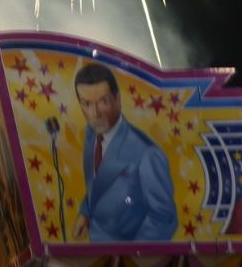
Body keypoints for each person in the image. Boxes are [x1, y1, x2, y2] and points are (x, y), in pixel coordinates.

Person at [73, 62, 177, 241]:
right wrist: (85, 213)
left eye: (103, 101)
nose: (95, 113)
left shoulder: (147, 153)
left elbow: (164, 218)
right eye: (87, 104)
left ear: (118, 99)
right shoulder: (91, 135)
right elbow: (98, 185)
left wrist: (131, 253)